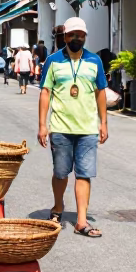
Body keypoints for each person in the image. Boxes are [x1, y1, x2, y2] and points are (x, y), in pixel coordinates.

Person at [38, 18, 108, 238]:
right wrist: (42, 125)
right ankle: (58, 207)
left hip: (87, 129)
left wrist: (103, 122)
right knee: (60, 173)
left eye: (80, 35)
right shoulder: (53, 61)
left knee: (84, 174)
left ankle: (81, 221)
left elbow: (101, 92)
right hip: (60, 127)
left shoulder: (95, 61)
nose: (76, 39)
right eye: (72, 35)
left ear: (85, 36)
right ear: (64, 37)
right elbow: (45, 92)